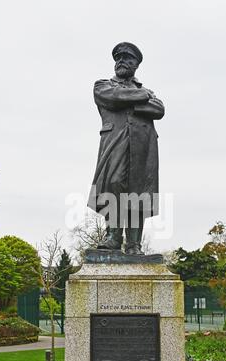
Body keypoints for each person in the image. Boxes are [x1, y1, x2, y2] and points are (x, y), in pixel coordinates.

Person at [88, 42, 164, 255]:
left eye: (127, 59)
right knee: (113, 184)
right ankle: (113, 238)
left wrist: (131, 100)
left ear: (136, 65)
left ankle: (134, 245)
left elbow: (159, 109)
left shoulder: (147, 90)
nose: (121, 61)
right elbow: (112, 98)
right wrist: (140, 99)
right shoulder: (102, 85)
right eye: (118, 58)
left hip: (143, 146)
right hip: (116, 141)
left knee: (139, 191)